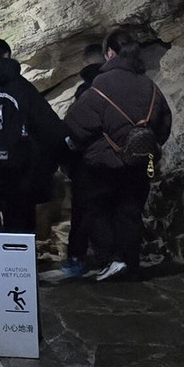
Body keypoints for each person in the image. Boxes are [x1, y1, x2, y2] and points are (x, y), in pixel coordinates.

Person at [64, 28, 171, 282]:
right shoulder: (150, 86)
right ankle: (129, 263)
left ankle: (113, 259)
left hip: (104, 165)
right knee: (130, 213)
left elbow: (76, 123)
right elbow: (164, 125)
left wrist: (84, 145)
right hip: (138, 163)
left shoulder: (101, 86)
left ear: (110, 53)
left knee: (96, 210)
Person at [0, 38, 69, 268]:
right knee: (19, 216)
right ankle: (20, 270)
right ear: (8, 55)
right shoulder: (22, 86)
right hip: (20, 167)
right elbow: (46, 125)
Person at [61, 41, 107, 277]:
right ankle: (116, 256)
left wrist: (68, 161)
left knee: (83, 212)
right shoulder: (118, 87)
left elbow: (74, 128)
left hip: (87, 161)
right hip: (118, 161)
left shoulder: (84, 91)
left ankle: (77, 259)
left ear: (87, 62)